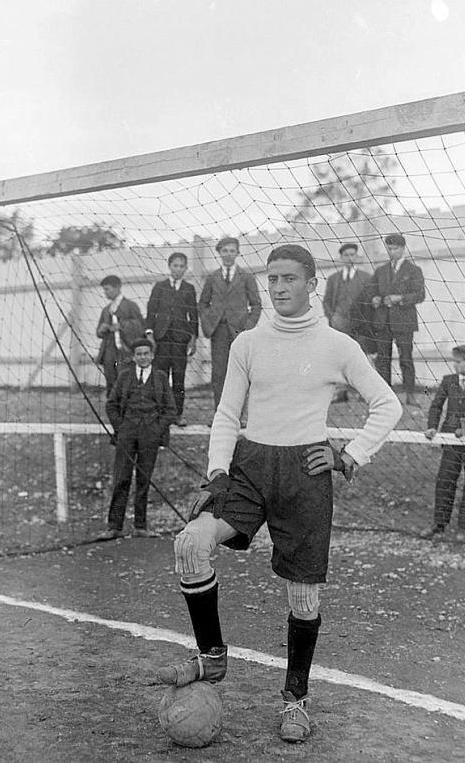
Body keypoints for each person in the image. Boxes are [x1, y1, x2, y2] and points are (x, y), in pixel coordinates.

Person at [155, 244, 402, 744]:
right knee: (189, 545)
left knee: (303, 594)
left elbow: (387, 404)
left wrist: (349, 455)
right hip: (248, 467)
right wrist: (218, 471)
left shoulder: (337, 345)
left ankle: (296, 700)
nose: (280, 287)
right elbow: (227, 414)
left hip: (305, 472)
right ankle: (212, 657)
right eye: (272, 279)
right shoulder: (248, 342)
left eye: (290, 278)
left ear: (313, 283)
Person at [97, 339, 177, 540]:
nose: (142, 357)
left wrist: (156, 429)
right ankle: (114, 526)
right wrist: (121, 427)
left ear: (152, 355)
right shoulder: (124, 376)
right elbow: (111, 405)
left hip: (149, 435)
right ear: (133, 357)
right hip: (127, 433)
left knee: (144, 479)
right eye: (138, 354)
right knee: (121, 478)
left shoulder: (160, 378)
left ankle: (140, 525)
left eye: (146, 353)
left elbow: (170, 410)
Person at [420, 345, 465, 543]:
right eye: (454, 361)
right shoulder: (448, 381)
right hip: (450, 439)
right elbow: (436, 405)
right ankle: (439, 524)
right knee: (445, 480)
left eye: (458, 362)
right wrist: (432, 426)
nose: (454, 365)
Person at [198, 237, 262, 410]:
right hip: (218, 332)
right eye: (225, 251)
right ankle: (220, 413)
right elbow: (202, 304)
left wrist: (248, 326)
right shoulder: (212, 277)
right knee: (219, 374)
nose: (228, 254)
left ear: (237, 253)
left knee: (240, 373)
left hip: (239, 332)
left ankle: (238, 414)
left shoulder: (246, 277)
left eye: (232, 250)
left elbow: (256, 304)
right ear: (219, 253)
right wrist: (209, 320)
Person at [366, 233, 426, 406]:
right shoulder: (381, 271)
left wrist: (399, 298)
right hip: (383, 321)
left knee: (406, 358)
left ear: (403, 248)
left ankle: (410, 394)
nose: (392, 252)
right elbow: (370, 291)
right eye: (389, 248)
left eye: (395, 249)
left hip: (404, 320)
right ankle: (386, 396)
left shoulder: (413, 270)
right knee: (383, 359)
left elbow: (420, 295)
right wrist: (375, 299)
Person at [145, 253, 199, 427]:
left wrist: (193, 338)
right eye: (175, 266)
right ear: (169, 266)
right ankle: (160, 412)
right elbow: (151, 311)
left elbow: (193, 315)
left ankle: (177, 414)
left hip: (179, 340)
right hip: (161, 339)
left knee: (179, 378)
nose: (178, 269)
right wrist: (149, 334)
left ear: (186, 268)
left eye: (182, 266)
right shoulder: (159, 287)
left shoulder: (189, 288)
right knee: (160, 377)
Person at [322, 242, 375, 402]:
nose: (350, 258)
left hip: (360, 325)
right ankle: (341, 391)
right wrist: (332, 317)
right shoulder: (333, 279)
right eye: (346, 255)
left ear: (357, 256)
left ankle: (362, 392)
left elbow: (370, 303)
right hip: (339, 324)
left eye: (352, 254)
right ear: (341, 258)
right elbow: (327, 302)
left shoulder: (366, 277)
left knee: (361, 358)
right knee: (339, 358)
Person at [96, 275, 147, 395]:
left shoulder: (130, 306)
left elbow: (140, 326)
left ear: (118, 287)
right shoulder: (106, 309)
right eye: (104, 290)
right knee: (110, 380)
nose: (105, 293)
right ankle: (113, 408)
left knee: (125, 380)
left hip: (125, 350)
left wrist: (122, 325)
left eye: (107, 289)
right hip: (109, 350)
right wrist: (102, 329)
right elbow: (98, 333)